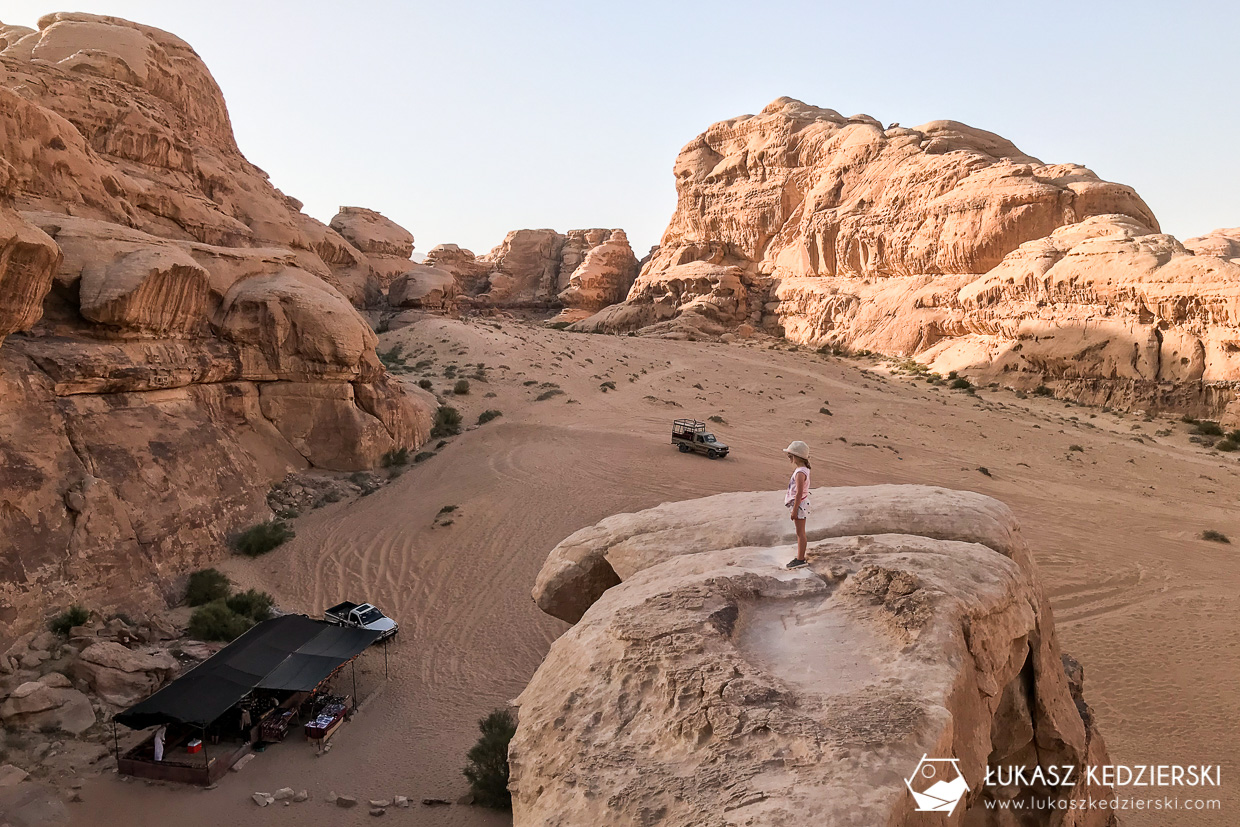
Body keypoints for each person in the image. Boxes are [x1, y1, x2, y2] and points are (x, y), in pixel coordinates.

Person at [783, 440, 811, 569]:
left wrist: (794, 510)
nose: (789, 458)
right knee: (800, 532)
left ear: (796, 456)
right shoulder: (804, 469)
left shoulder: (800, 473)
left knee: (800, 533)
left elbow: (799, 493)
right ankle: (800, 557)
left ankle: (800, 560)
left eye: (790, 456)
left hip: (799, 505)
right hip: (800, 504)